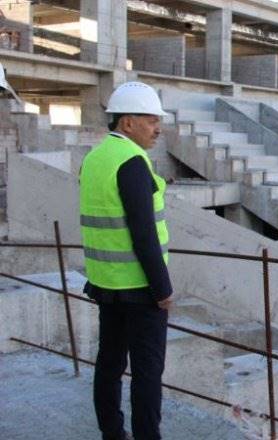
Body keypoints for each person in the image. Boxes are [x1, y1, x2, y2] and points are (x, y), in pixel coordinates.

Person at [80, 81, 172, 440]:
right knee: (147, 373)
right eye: (151, 121)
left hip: (106, 283)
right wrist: (162, 289)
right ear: (128, 122)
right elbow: (143, 234)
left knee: (109, 364)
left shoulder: (95, 158)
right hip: (140, 288)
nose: (157, 129)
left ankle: (112, 434)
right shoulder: (131, 162)